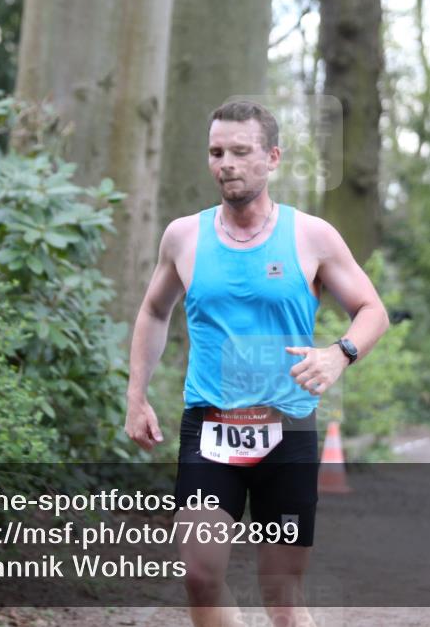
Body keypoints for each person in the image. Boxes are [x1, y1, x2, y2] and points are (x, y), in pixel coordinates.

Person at [125, 100, 389, 627]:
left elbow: (371, 310)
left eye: (241, 151)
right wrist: (137, 395)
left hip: (286, 428)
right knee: (200, 576)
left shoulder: (310, 236)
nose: (226, 163)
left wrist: (340, 354)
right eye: (216, 152)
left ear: (272, 158)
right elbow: (154, 310)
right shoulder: (184, 237)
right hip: (210, 427)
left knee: (283, 598)